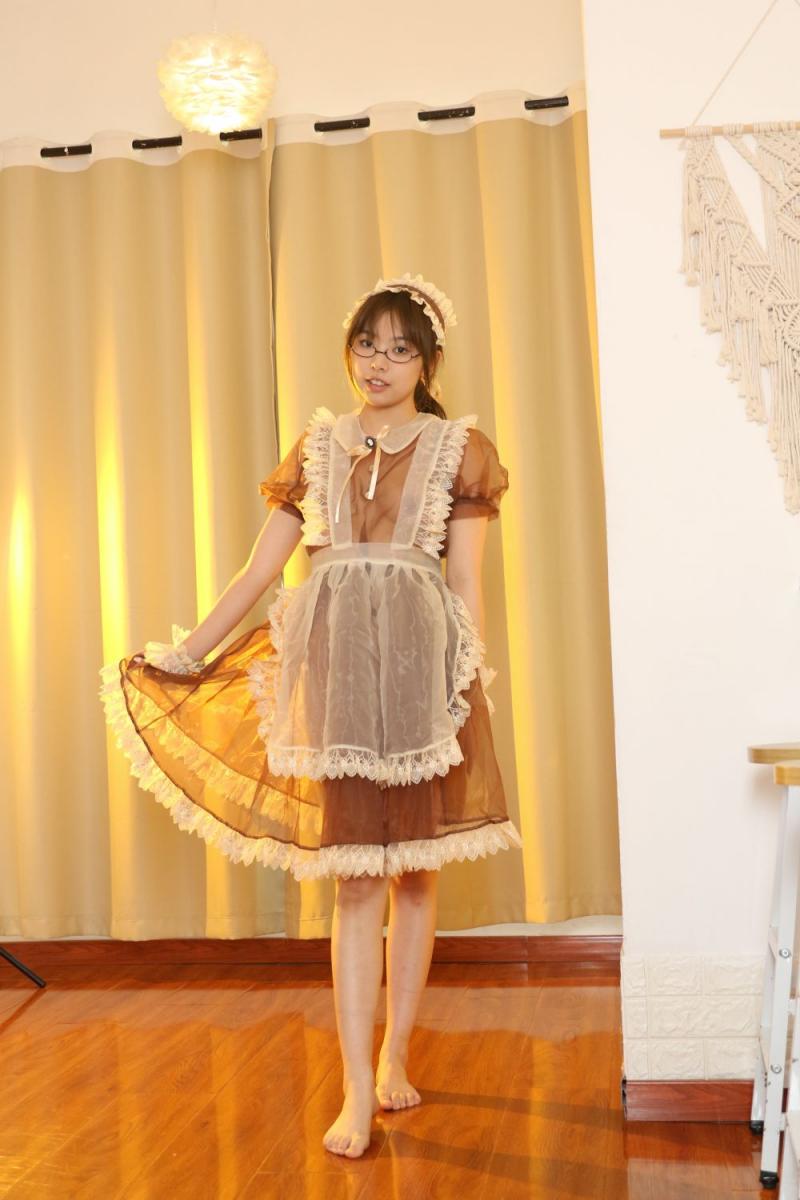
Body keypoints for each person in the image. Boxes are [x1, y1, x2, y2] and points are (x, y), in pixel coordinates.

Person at [99, 271, 523, 1159]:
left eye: (400, 349)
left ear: (428, 362)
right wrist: (192, 652)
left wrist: (467, 679)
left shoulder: (460, 448)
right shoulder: (318, 448)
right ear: (349, 350)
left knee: (415, 876)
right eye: (368, 344)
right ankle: (356, 1083)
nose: (379, 362)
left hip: (420, 676)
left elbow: (464, 581)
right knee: (357, 880)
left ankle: (397, 1053)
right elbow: (261, 573)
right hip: (335, 676)